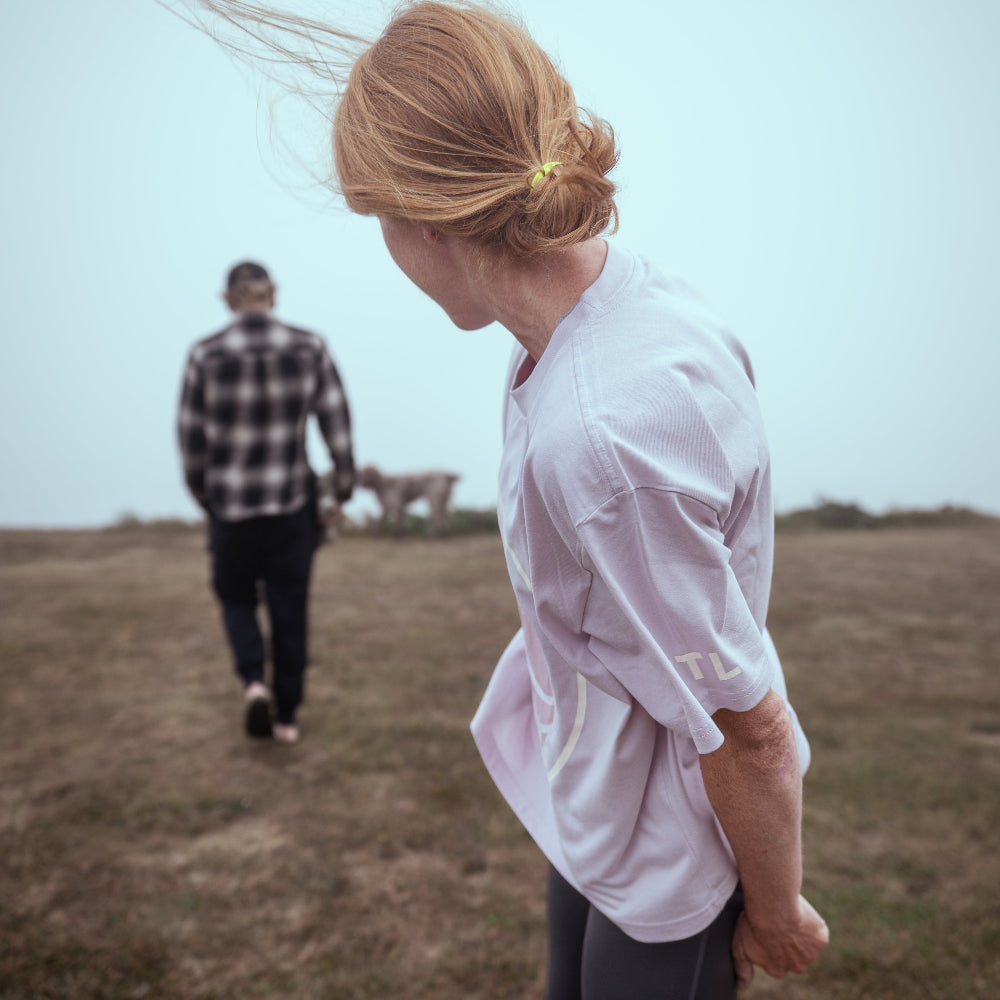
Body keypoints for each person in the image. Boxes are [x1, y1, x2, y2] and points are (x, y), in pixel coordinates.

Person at [185, 1, 829, 993]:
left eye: (380, 222)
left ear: (430, 220)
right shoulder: (600, 312)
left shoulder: (603, 436)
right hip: (598, 816)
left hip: (668, 865)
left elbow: (750, 728)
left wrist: (776, 911)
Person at [178, 261, 355, 745]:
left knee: (235, 598)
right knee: (289, 608)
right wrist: (342, 487)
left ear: (230, 299)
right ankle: (287, 718)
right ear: (271, 295)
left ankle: (255, 682)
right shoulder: (307, 346)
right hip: (290, 505)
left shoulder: (205, 355)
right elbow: (335, 420)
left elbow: (191, 440)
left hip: (230, 508)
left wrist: (204, 495)